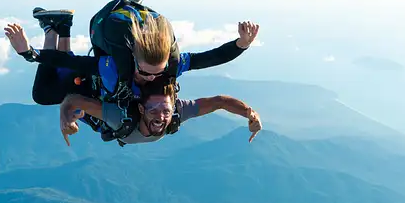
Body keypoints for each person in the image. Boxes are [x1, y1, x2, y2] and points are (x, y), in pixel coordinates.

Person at [3, 7, 260, 107]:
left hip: (103, 87)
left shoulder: (172, 65)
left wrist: (241, 45)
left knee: (64, 80)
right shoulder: (114, 66)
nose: (151, 77)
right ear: (132, 59)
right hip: (98, 81)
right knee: (44, 94)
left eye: (156, 72)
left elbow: (211, 58)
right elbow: (70, 61)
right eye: (146, 71)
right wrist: (30, 53)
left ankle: (61, 25)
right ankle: (52, 28)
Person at [59, 74, 263, 147]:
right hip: (97, 105)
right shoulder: (118, 116)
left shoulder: (177, 112)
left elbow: (219, 101)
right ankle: (58, 27)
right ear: (141, 108)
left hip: (115, 125)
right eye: (154, 109)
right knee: (49, 93)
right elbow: (72, 100)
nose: (161, 116)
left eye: (165, 109)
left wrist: (249, 113)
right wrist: (66, 119)